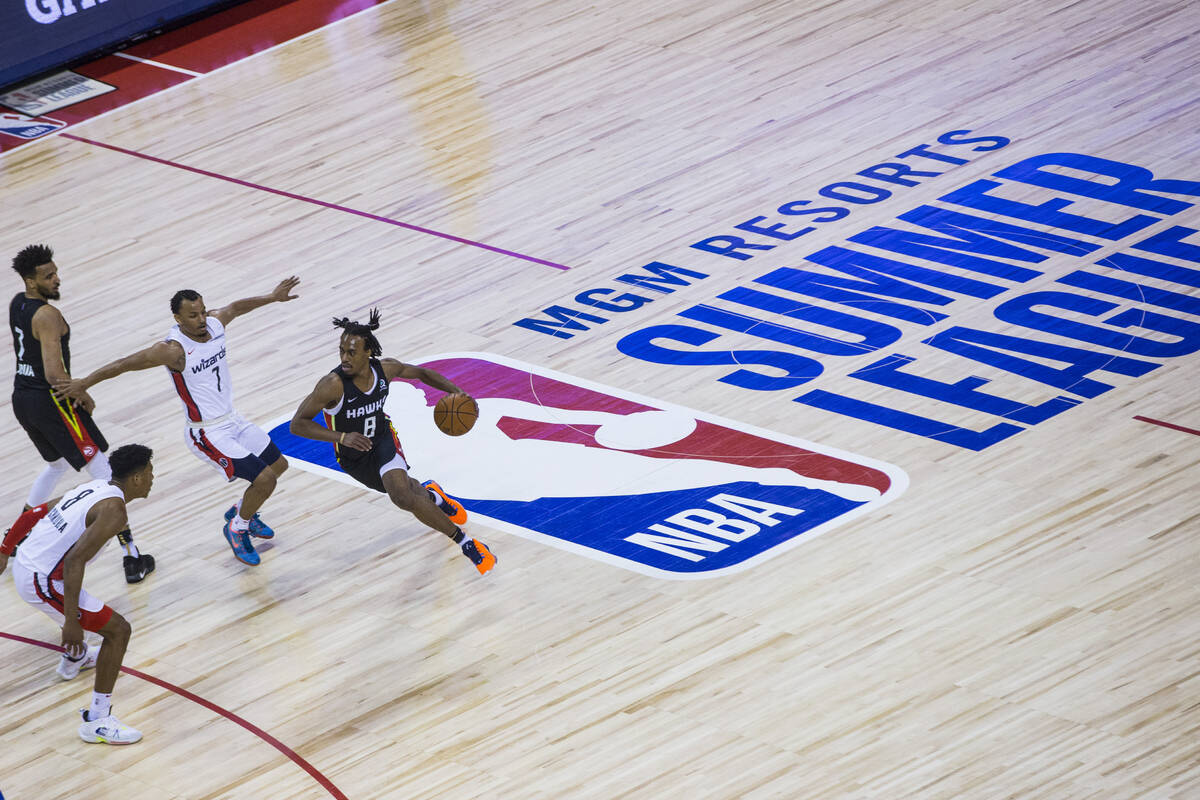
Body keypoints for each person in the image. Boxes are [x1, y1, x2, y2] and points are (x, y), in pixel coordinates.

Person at [55, 278, 300, 566]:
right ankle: (237, 529)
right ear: (177, 318)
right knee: (264, 479)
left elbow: (235, 307)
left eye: (203, 312)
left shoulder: (215, 324)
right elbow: (123, 364)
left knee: (278, 465)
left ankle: (240, 512)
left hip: (232, 419)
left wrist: (272, 297)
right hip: (206, 432)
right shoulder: (172, 350)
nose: (201, 320)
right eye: (193, 316)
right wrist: (85, 382)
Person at [289, 309, 495, 574]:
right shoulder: (332, 385)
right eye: (341, 351)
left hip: (383, 439)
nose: (344, 358)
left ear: (368, 353)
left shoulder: (385, 369)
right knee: (409, 492)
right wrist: (342, 437)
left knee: (401, 495)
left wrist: (457, 392)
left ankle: (467, 544)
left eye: (352, 352)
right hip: (353, 456)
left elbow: (421, 374)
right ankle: (434, 496)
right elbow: (298, 424)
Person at [10, 244, 154, 584]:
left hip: (23, 399)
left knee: (56, 465)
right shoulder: (47, 315)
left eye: (56, 272)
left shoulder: (19, 303)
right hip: (53, 401)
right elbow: (52, 372)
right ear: (31, 281)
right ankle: (132, 558)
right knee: (107, 477)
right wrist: (80, 391)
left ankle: (16, 535)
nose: (57, 280)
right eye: (48, 276)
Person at [2, 443, 155, 745]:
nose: (152, 478)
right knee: (119, 631)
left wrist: (5, 549)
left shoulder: (94, 487)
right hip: (42, 579)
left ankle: (77, 658)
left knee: (81, 611)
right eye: (150, 472)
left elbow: (35, 512)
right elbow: (74, 561)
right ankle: (97, 720)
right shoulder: (114, 511)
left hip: (29, 563)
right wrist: (72, 622)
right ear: (136, 478)